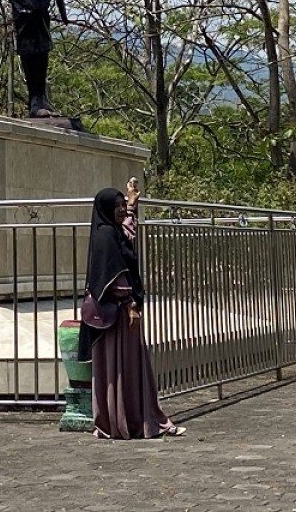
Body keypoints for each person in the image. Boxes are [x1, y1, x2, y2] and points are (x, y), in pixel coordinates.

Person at [77, 186, 185, 439]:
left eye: (121, 205)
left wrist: (133, 205)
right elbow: (114, 276)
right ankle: (127, 422)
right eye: (115, 206)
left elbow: (127, 234)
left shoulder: (112, 232)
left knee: (128, 367)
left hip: (117, 314)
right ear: (104, 209)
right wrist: (130, 306)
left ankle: (125, 420)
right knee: (125, 369)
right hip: (117, 316)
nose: (120, 210)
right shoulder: (105, 236)